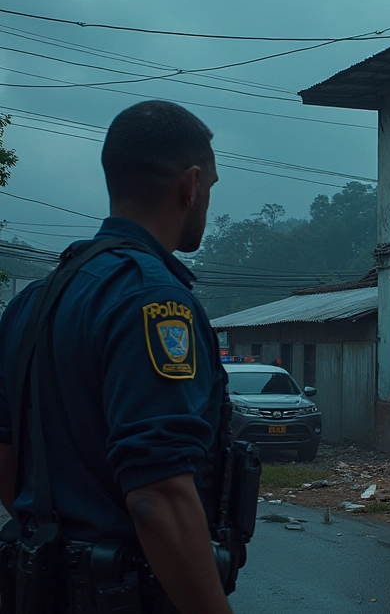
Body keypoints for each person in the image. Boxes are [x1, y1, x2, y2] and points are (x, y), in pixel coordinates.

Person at [0, 101, 234, 613]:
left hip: (35, 589)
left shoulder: (30, 303)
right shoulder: (155, 301)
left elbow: (8, 460)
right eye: (211, 189)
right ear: (190, 185)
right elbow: (160, 496)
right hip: (123, 594)